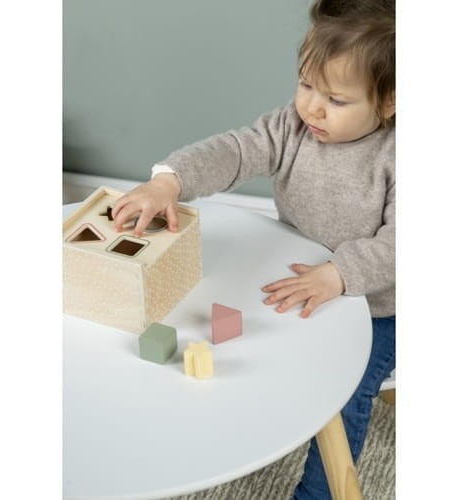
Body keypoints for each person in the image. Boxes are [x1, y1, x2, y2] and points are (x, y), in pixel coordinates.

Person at [112, 0, 395, 498]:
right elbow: (236, 150)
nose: (312, 107)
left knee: (344, 393)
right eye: (306, 85)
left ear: (390, 102)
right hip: (299, 276)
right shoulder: (293, 126)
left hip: (377, 306)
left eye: (335, 99)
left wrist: (339, 274)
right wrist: (170, 181)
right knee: (241, 345)